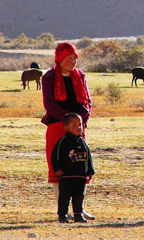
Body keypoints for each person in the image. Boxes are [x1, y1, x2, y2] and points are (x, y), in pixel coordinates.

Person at [42, 42, 95, 220]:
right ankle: (62, 209)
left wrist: (80, 123)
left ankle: (79, 209)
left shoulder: (81, 76)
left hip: (78, 129)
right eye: (68, 58)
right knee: (59, 169)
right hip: (58, 127)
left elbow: (87, 103)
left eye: (74, 58)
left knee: (80, 168)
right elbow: (49, 105)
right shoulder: (49, 77)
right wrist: (68, 121)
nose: (72, 62)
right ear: (59, 58)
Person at [51, 113, 95, 223]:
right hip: (66, 176)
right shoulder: (63, 141)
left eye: (80, 125)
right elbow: (55, 157)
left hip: (80, 176)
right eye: (74, 125)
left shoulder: (82, 141)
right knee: (64, 197)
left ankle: (78, 214)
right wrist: (57, 169)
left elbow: (88, 156)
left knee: (79, 196)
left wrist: (90, 170)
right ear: (66, 127)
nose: (78, 127)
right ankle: (62, 215)